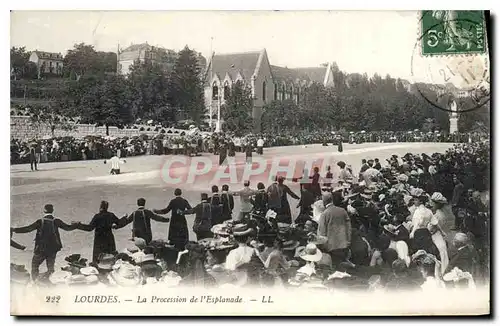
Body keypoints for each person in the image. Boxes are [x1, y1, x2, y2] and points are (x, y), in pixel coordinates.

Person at [11, 204, 79, 281]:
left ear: (44, 210)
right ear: (52, 211)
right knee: (50, 267)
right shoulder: (56, 221)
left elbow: (28, 229)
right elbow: (68, 228)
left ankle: (34, 282)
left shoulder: (40, 221)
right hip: (53, 248)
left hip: (41, 249)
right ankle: (51, 281)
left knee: (35, 266)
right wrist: (76, 225)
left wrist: (14, 230)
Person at [317, 192, 351, 269]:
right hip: (343, 245)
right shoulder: (342, 211)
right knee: (342, 267)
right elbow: (349, 227)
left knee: (334, 267)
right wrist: (348, 241)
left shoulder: (324, 214)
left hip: (331, 247)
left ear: (324, 202)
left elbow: (322, 233)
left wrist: (322, 247)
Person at [429, 192, 450, 274]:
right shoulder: (440, 213)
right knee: (443, 251)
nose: (431, 205)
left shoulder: (437, 215)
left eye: (433, 203)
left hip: (435, 235)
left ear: (437, 204)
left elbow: (431, 229)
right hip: (439, 235)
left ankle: (441, 271)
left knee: (441, 251)